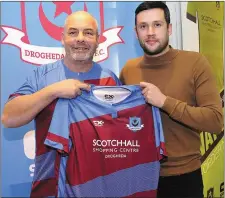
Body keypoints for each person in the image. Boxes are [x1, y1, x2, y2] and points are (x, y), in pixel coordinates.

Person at [1, 11, 120, 197]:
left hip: (98, 187)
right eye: (73, 32)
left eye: (88, 33)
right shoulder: (41, 76)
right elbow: (8, 117)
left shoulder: (110, 80)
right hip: (49, 186)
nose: (80, 39)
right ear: (62, 38)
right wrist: (53, 91)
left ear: (98, 39)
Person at [119, 1, 223, 198]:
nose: (150, 32)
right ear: (136, 32)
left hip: (184, 178)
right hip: (139, 175)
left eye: (157, 25)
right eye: (143, 26)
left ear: (170, 28)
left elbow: (215, 121)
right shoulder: (128, 70)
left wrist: (165, 102)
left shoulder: (195, 63)